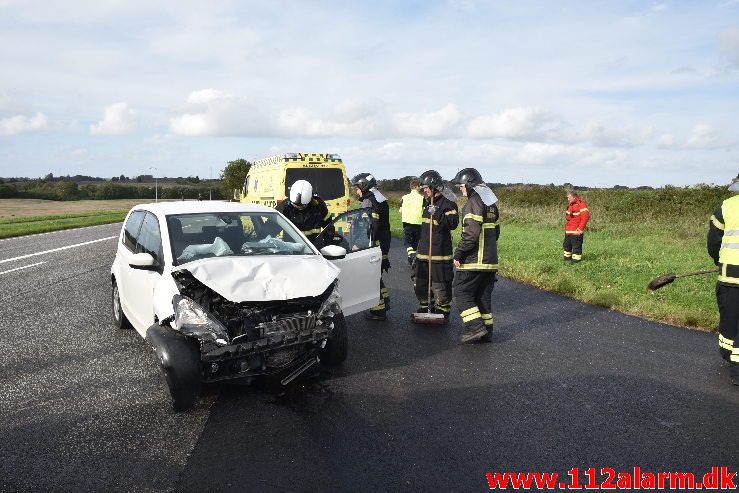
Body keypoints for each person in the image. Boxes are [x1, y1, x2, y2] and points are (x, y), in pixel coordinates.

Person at [452, 168, 500, 343]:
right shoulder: (491, 204)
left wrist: (459, 253)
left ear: (469, 185)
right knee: (482, 296)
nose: (460, 189)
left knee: (461, 292)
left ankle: (475, 327)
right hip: (490, 261)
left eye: (461, 185)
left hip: (474, 261)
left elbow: (470, 234)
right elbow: (497, 231)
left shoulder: (473, 203)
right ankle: (487, 331)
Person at [413, 170, 459, 321]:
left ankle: (442, 310)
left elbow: (453, 224)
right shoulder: (427, 202)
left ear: (434, 187)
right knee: (421, 282)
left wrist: (437, 214)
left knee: (440, 284)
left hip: (439, 252)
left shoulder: (448, 203)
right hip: (424, 251)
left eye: (426, 187)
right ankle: (426, 306)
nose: (424, 190)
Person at [707, 173, 739, 386]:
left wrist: (720, 260)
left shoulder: (727, 206)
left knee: (731, 320)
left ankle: (733, 363)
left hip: (731, 276)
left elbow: (713, 241)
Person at [351, 173, 392, 321]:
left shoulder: (369, 202)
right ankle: (385, 301)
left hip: (373, 246)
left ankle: (378, 310)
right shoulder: (379, 198)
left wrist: (358, 244)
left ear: (364, 186)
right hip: (383, 244)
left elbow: (370, 228)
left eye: (357, 188)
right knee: (376, 275)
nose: (356, 192)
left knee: (370, 278)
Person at [276, 179, 332, 245]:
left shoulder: (318, 206)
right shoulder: (284, 209)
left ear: (310, 199)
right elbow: (270, 229)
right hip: (291, 248)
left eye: (302, 206)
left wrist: (328, 246)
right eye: (295, 205)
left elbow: (329, 227)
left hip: (315, 248)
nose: (299, 207)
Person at [399, 178, 424, 266]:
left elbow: (400, 210)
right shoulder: (422, 198)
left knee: (407, 241)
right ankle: (412, 258)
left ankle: (412, 256)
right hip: (418, 223)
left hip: (407, 223)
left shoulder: (404, 198)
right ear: (417, 187)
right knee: (415, 242)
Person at [563, 186, 590, 263]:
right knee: (566, 246)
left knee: (576, 247)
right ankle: (566, 260)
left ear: (573, 196)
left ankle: (576, 262)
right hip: (568, 231)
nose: (568, 199)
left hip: (576, 231)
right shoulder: (571, 205)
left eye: (569, 197)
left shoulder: (581, 204)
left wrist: (581, 228)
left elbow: (586, 216)